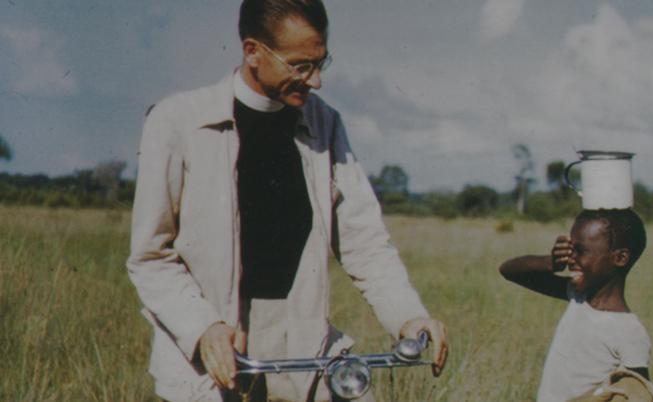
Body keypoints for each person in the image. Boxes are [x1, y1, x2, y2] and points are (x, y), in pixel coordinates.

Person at [126, 1, 448, 401]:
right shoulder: (177, 121)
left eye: (320, 63)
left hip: (303, 340)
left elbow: (363, 241)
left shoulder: (325, 124)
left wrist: (408, 316)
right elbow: (150, 257)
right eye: (300, 66)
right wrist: (204, 328)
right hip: (211, 348)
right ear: (252, 51)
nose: (315, 82)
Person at [498, 209, 653, 402]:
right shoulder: (578, 296)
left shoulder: (629, 332)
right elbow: (509, 271)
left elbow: (638, 393)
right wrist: (552, 263)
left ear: (620, 258)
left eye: (580, 251)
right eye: (569, 249)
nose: (570, 259)